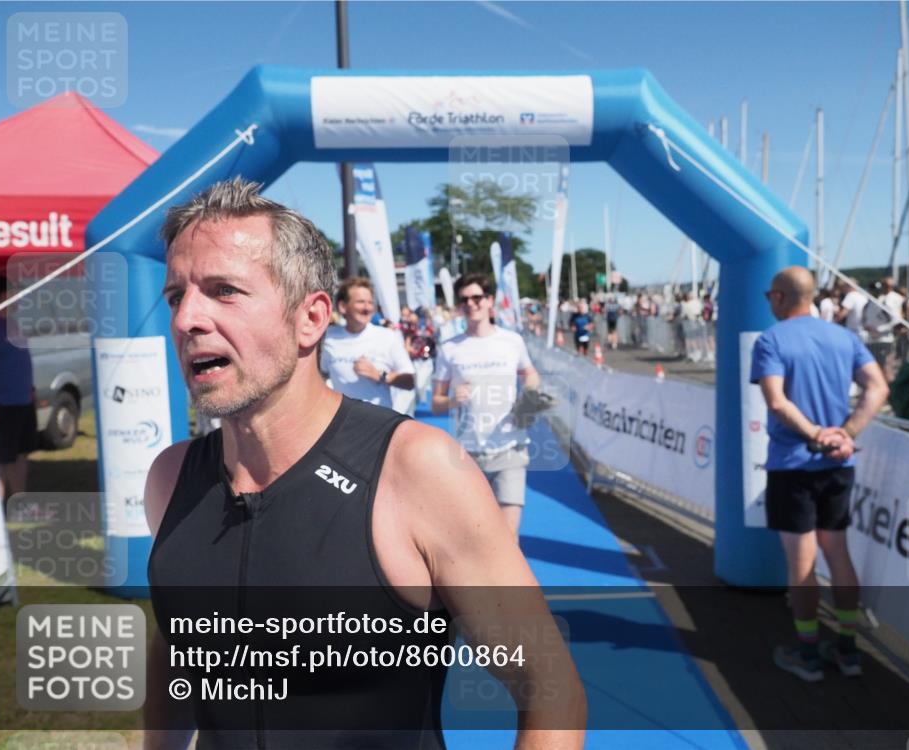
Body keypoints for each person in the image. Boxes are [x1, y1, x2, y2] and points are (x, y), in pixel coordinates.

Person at [144, 179, 585, 748]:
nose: (186, 320)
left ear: (311, 318)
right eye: (177, 295)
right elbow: (177, 649)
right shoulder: (170, 478)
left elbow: (549, 684)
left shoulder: (418, 470)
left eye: (223, 290)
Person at [751, 266, 889, 682]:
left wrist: (816, 435)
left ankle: (808, 652)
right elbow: (878, 387)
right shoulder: (844, 337)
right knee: (838, 553)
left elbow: (776, 402)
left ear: (778, 297)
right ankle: (847, 649)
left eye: (768, 296)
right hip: (837, 465)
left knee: (801, 562)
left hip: (795, 464)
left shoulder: (771, 340)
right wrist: (844, 434)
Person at [431, 273, 542, 537]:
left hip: (510, 449)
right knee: (475, 538)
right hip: (469, 454)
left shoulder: (511, 341)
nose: (471, 304)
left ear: (490, 300)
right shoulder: (449, 348)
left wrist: (527, 402)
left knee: (507, 538)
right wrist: (451, 400)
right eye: (464, 300)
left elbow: (531, 375)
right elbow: (435, 404)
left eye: (477, 297)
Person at [0, 275, 37, 501]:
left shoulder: (11, 324)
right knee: (3, 459)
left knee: (21, 453)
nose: (19, 299)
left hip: (22, 401)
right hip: (1, 405)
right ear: (4, 296)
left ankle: (20, 502)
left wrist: (30, 389)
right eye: (15, 294)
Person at [320, 277, 415, 412]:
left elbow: (410, 381)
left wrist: (380, 375)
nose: (367, 307)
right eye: (361, 302)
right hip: (341, 421)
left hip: (379, 422)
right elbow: (321, 376)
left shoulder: (387, 337)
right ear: (342, 306)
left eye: (370, 303)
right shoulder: (328, 338)